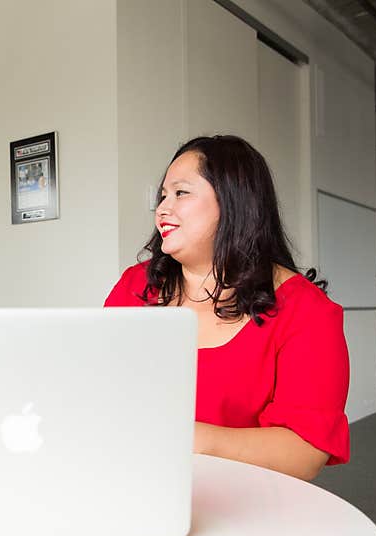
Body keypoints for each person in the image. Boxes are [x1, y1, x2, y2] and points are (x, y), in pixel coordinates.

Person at [104, 135, 349, 481]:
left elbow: (304, 452)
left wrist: (185, 438)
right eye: (162, 196)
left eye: (181, 193)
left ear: (235, 202)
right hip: (131, 480)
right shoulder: (135, 286)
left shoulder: (306, 311)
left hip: (248, 499)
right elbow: (100, 387)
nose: (162, 209)